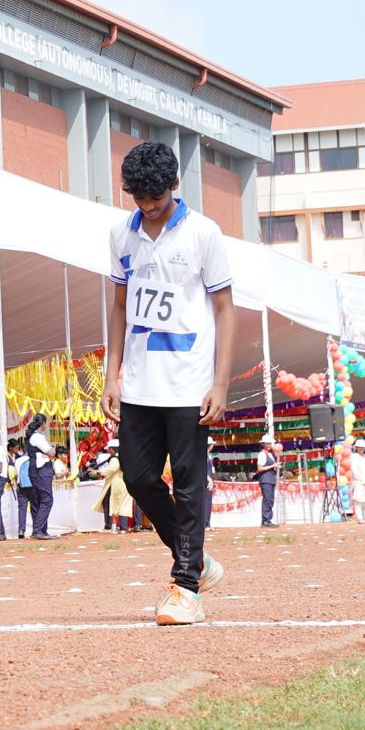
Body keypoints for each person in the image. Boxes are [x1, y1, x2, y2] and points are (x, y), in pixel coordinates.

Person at [102, 141, 235, 627]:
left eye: (155, 198)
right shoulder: (121, 234)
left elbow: (225, 310)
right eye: (138, 199)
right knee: (137, 476)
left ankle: (186, 588)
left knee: (189, 483)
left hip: (189, 382)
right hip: (139, 382)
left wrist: (220, 384)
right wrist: (112, 375)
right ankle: (194, 558)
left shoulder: (204, 234)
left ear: (174, 186)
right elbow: (120, 306)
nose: (148, 207)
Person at [26, 423, 55, 539]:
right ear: (42, 424)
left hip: (35, 469)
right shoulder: (38, 437)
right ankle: (38, 530)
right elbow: (51, 453)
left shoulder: (32, 436)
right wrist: (53, 448)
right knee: (47, 500)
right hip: (41, 469)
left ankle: (42, 531)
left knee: (38, 501)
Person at [256, 434, 281, 527]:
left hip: (271, 479)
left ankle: (267, 519)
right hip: (265, 479)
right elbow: (259, 468)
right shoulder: (262, 454)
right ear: (263, 444)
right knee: (267, 499)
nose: (269, 445)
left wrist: (275, 467)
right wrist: (273, 466)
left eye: (270, 443)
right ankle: (266, 520)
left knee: (270, 499)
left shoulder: (270, 454)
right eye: (267, 444)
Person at [349, 439, 365, 523]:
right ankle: (359, 517)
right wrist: (362, 480)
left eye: (362, 447)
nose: (361, 449)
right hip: (358, 481)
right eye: (359, 447)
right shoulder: (354, 457)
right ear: (356, 448)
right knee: (358, 500)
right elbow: (354, 470)